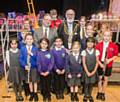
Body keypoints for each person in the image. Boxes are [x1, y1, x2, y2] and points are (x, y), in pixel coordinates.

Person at [96, 31, 118, 101]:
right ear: (103, 36)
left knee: (105, 79)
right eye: (105, 35)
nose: (106, 37)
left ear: (110, 37)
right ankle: (99, 92)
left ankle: (103, 93)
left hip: (108, 64)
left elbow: (115, 55)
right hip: (100, 63)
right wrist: (100, 63)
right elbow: (96, 55)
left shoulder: (114, 46)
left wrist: (110, 60)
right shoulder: (98, 45)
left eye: (108, 36)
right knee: (99, 78)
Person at [20, 34, 38, 101]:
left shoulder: (35, 48)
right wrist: (24, 65)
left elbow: (37, 58)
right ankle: (32, 93)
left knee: (34, 81)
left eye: (31, 39)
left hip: (34, 68)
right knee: (29, 81)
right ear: (25, 40)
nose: (29, 40)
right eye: (27, 39)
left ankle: (35, 93)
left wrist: (31, 54)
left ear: (33, 40)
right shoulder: (22, 48)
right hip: (27, 68)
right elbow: (21, 59)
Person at [81, 37, 99, 102]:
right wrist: (87, 72)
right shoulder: (84, 52)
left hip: (93, 71)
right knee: (86, 84)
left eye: (92, 42)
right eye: (88, 42)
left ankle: (90, 95)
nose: (90, 43)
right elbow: (84, 63)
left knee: (91, 84)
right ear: (86, 43)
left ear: (94, 44)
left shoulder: (96, 51)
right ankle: (86, 95)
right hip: (86, 71)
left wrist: (94, 71)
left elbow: (97, 62)